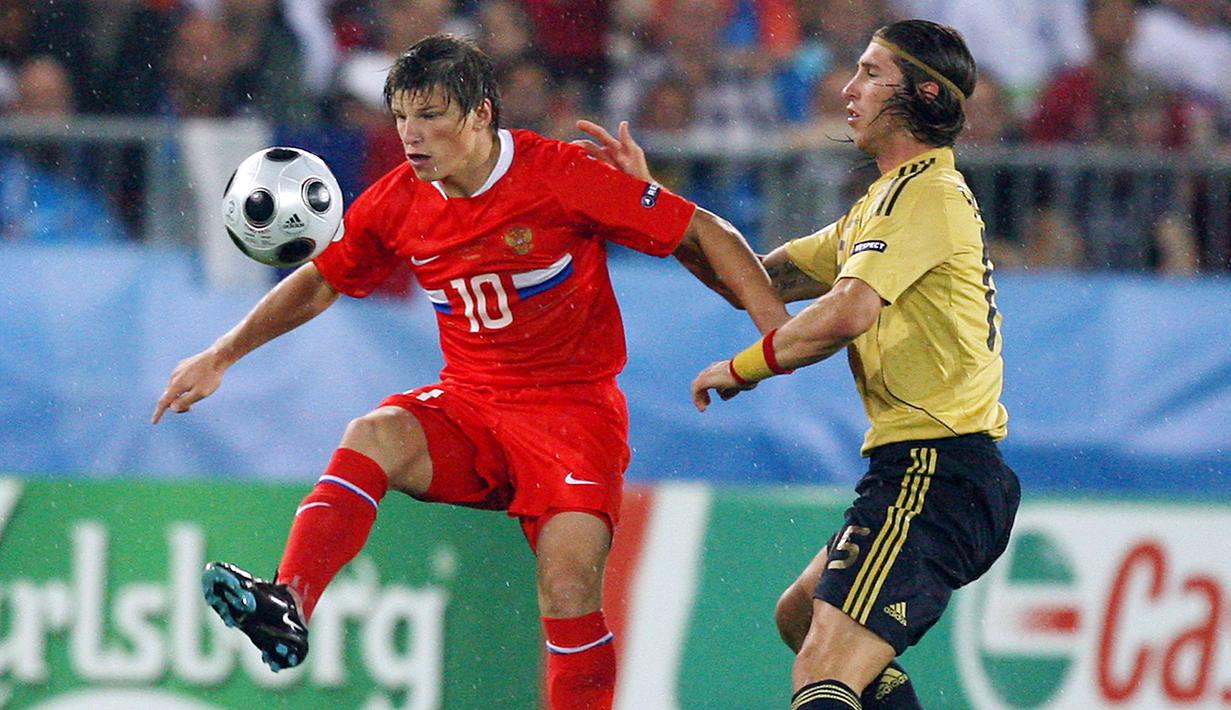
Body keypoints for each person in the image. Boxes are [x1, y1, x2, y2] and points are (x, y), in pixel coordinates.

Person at [150, 33, 787, 710]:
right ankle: (288, 601)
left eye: (429, 117)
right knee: (375, 432)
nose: (410, 136)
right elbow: (321, 280)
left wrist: (779, 331)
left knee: (568, 589)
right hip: (471, 407)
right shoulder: (398, 199)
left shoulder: (561, 175)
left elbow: (705, 234)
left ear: (481, 114)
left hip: (573, 415)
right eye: (400, 117)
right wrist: (221, 354)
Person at [586, 19, 1020, 710]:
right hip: (922, 471)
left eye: (871, 73)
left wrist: (744, 366)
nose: (848, 89)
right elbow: (753, 280)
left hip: (939, 471)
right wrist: (653, 207)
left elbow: (848, 311)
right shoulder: (879, 206)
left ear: (923, 93)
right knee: (800, 618)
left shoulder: (926, 195)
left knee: (824, 662)